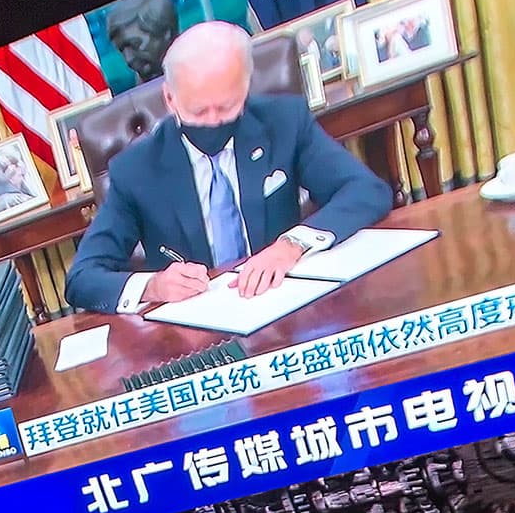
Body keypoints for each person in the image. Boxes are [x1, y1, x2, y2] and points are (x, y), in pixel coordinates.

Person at [65, 21, 391, 313]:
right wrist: (152, 286)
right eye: (198, 111)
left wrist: (293, 244)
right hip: (196, 330)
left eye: (225, 107)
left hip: (285, 302)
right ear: (170, 99)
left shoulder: (283, 121)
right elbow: (83, 278)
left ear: (245, 88)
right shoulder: (135, 170)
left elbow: (366, 190)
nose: (212, 122)